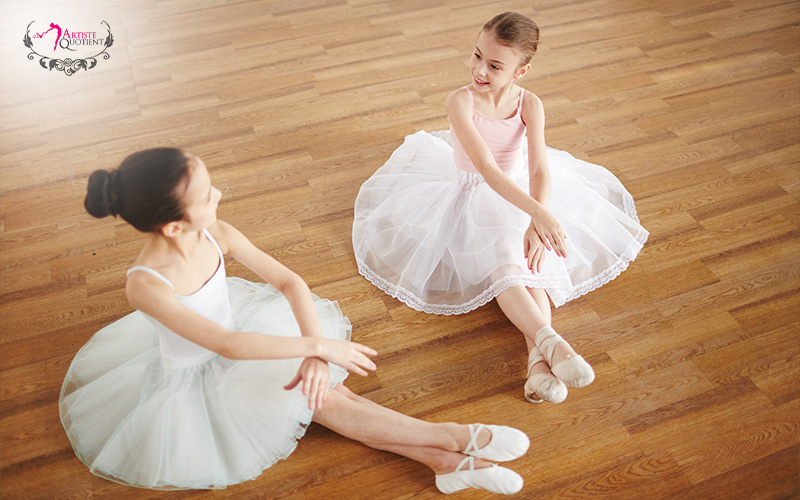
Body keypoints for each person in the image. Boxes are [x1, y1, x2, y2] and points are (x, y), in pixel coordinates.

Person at [60, 148, 529, 495]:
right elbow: (227, 344)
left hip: (249, 335)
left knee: (327, 392)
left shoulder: (216, 232)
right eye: (205, 195)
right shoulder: (146, 285)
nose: (218, 194)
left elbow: (290, 283)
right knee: (326, 401)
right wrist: (318, 350)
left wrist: (315, 347)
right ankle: (453, 437)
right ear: (173, 226)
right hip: (199, 372)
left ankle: (445, 461)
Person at [352, 12, 648, 405]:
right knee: (508, 267)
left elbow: (539, 168)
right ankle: (552, 344)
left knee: (531, 267)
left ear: (521, 71)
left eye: (494, 65)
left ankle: (537, 367)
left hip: (521, 194)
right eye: (476, 56)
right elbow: (487, 171)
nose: (479, 69)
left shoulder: (531, 105)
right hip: (469, 194)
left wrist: (535, 220)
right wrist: (539, 215)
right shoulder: (460, 102)